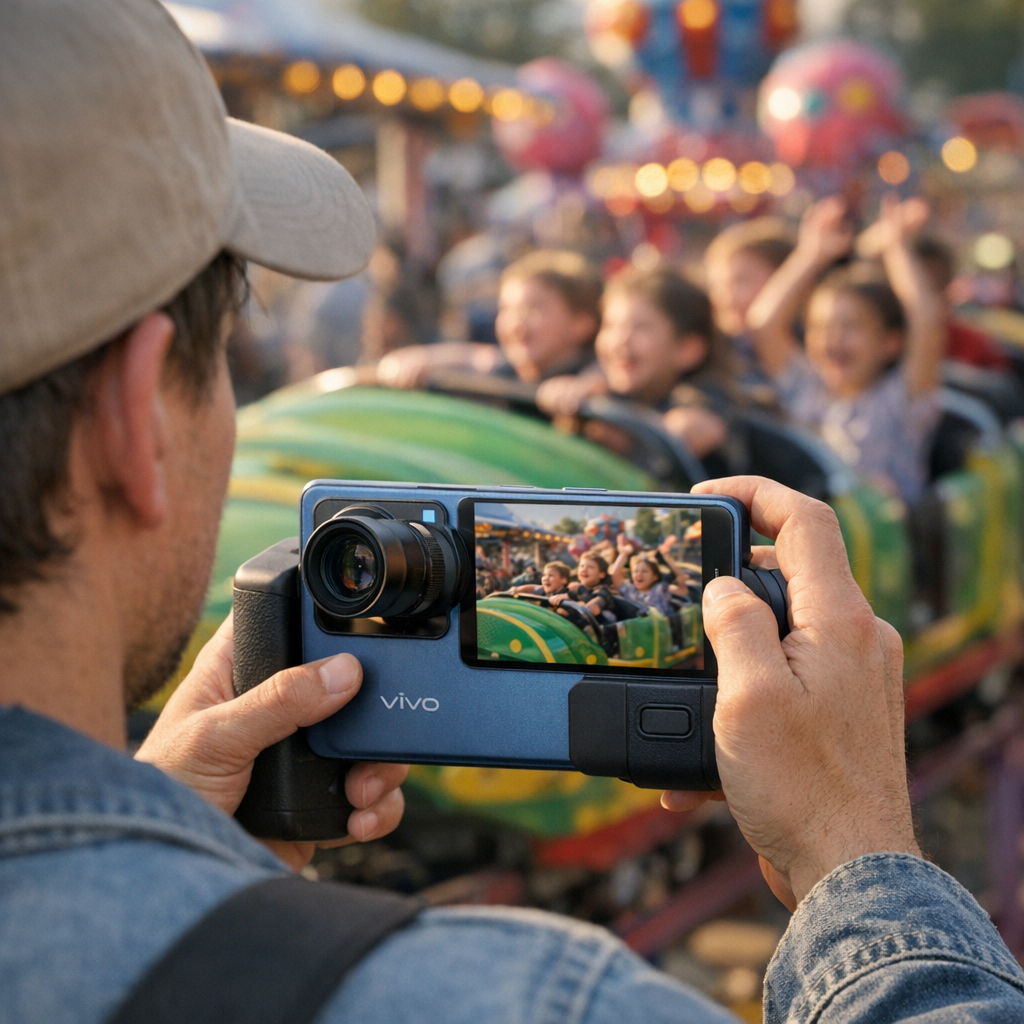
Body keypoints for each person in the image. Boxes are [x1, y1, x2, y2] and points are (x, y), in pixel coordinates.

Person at [3, 4, 1024, 1022]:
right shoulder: (543, 999)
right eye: (224, 356)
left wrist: (174, 838)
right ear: (138, 421)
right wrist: (860, 854)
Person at [747, 195, 946, 503]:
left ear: (890, 343)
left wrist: (896, 247)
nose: (833, 339)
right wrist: (811, 255)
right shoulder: (805, 387)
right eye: (821, 327)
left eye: (851, 327)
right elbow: (763, 324)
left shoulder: (901, 398)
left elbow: (926, 322)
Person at [538, 266, 738, 466]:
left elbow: (686, 432)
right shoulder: (602, 382)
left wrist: (612, 436)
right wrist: (571, 400)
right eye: (610, 325)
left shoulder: (708, 396)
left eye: (641, 327)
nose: (619, 340)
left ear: (687, 350)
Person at [375, 250, 601, 388]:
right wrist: (412, 363)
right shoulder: (513, 369)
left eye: (533, 309)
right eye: (507, 309)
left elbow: (600, 380)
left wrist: (583, 390)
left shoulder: (592, 375)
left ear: (581, 323)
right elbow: (472, 357)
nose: (516, 322)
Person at [702, 218, 795, 391]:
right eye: (717, 285)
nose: (726, 298)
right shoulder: (714, 352)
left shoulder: (809, 350)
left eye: (741, 281)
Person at [609, 535, 691, 616]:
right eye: (635, 571)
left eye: (644, 571)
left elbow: (683, 591)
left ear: (655, 577)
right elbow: (615, 574)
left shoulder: (661, 589)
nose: (639, 574)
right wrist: (624, 554)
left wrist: (667, 556)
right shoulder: (630, 590)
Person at [548, 553, 616, 619]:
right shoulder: (575, 588)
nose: (584, 569)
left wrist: (571, 597)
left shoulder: (603, 590)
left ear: (601, 574)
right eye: (582, 566)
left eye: (590, 567)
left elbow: (592, 609)